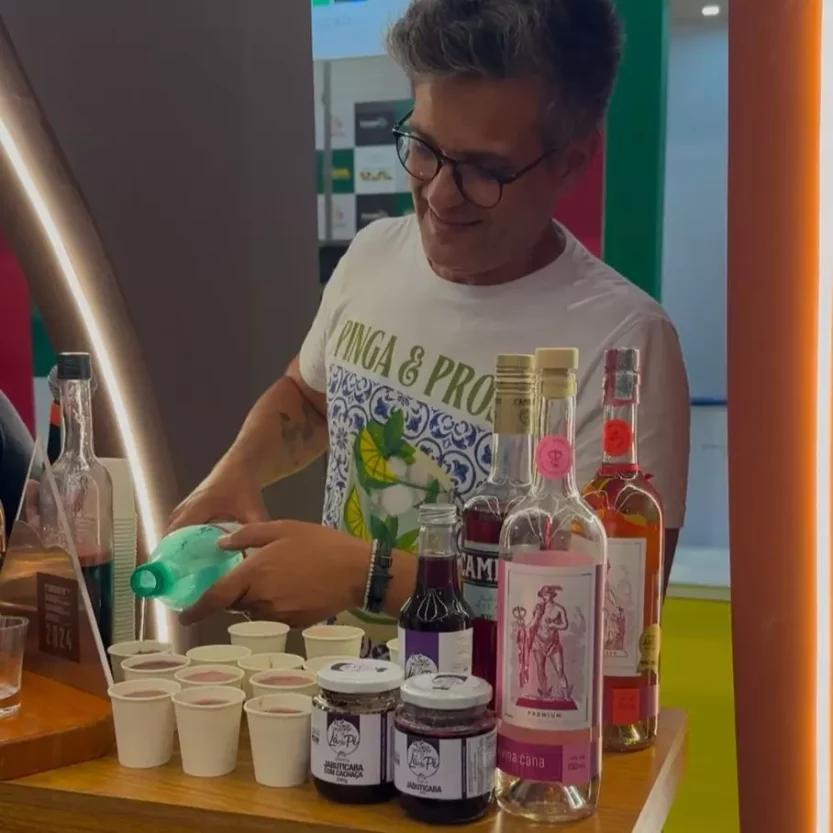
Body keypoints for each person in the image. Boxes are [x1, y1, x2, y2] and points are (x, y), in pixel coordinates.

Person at [170, 0, 690, 647]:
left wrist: (369, 575)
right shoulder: (372, 253)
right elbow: (311, 396)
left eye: (485, 170)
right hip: (337, 695)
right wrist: (238, 469)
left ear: (572, 161)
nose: (440, 194)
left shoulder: (623, 342)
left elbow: (607, 622)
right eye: (424, 148)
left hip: (493, 715)